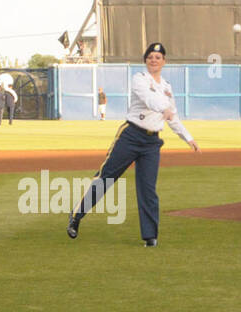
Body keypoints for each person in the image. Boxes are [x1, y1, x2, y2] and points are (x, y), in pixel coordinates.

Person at [66, 42, 200, 246]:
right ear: (146, 60)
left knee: (148, 189)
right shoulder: (139, 79)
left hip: (152, 142)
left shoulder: (167, 87)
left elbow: (173, 117)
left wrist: (188, 137)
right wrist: (165, 107)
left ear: (164, 61)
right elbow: (148, 100)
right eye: (150, 57)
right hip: (130, 135)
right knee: (106, 177)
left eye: (158, 57)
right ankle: (76, 216)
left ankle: (150, 237)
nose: (154, 60)